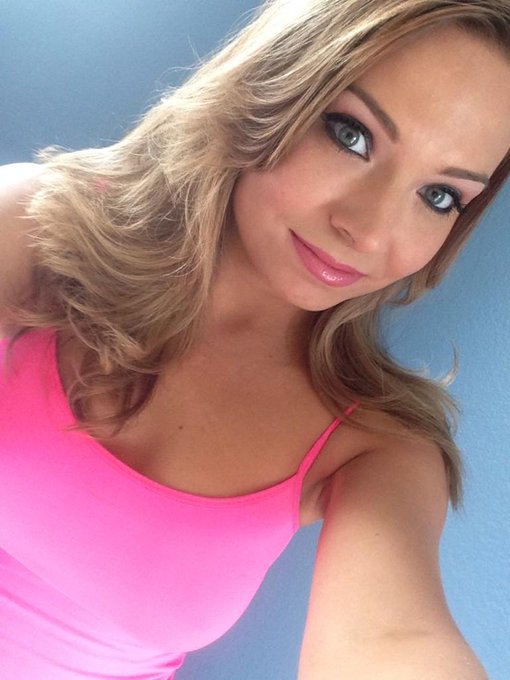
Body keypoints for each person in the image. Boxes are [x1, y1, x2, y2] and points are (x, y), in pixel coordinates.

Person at [0, 0, 509, 677]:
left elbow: (395, 638)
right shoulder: (35, 229)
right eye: (351, 135)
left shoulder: (377, 445)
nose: (369, 230)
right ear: (273, 86)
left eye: (439, 196)